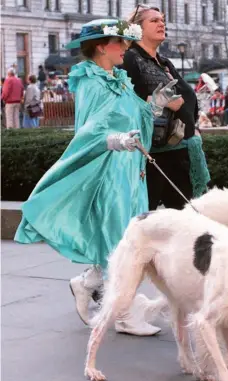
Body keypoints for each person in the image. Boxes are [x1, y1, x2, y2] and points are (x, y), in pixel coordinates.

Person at [14, 18, 177, 336]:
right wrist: (115, 140)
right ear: (103, 46)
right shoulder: (90, 81)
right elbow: (89, 131)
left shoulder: (117, 78)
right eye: (121, 42)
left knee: (123, 239)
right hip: (108, 172)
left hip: (129, 169)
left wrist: (156, 104)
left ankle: (87, 283)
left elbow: (134, 115)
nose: (126, 49)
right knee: (124, 241)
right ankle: (123, 315)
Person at [121, 5, 210, 211]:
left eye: (162, 20)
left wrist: (192, 126)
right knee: (144, 217)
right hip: (152, 153)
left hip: (179, 147)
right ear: (137, 29)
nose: (161, 24)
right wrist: (162, 100)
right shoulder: (130, 58)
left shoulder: (164, 62)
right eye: (153, 21)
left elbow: (186, 98)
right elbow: (126, 101)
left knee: (184, 217)